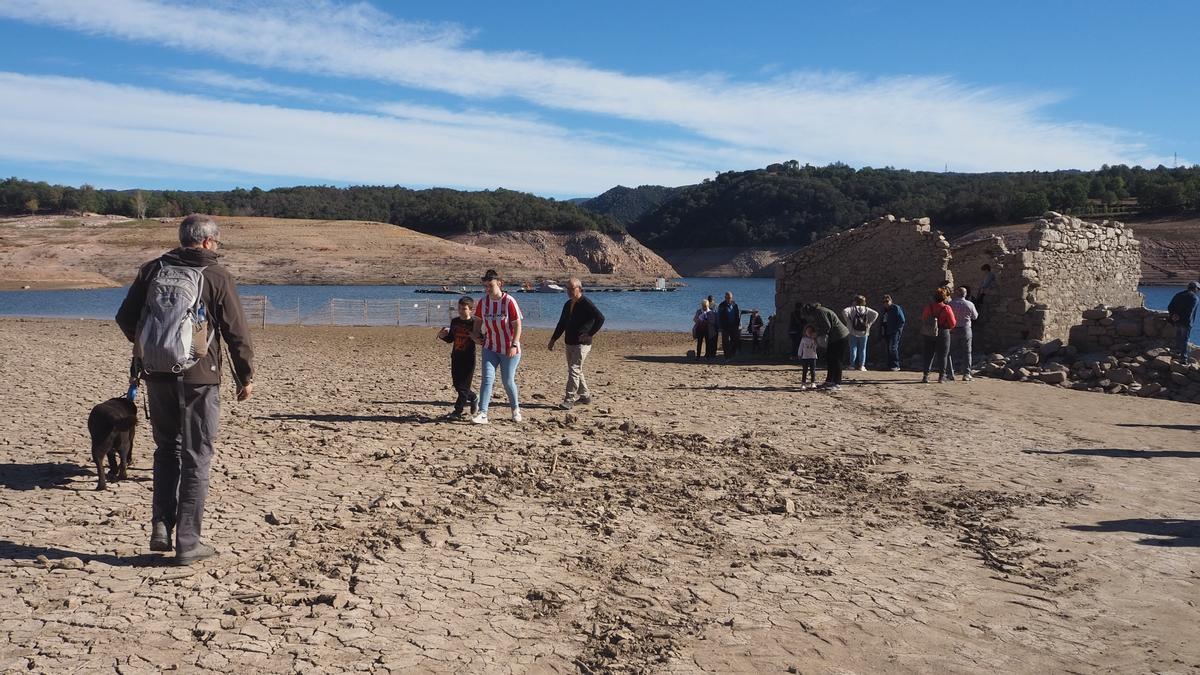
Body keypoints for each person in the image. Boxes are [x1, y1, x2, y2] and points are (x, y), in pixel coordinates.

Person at [115, 214, 254, 565]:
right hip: (200, 377)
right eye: (217, 243)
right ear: (207, 242)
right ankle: (188, 543)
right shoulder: (216, 275)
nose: (217, 248)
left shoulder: (152, 270)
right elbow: (236, 331)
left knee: (166, 449)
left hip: (156, 374)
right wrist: (245, 376)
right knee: (197, 456)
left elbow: (125, 318)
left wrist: (153, 347)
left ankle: (160, 527)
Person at [471, 269, 523, 424]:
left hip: (509, 348)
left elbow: (518, 325)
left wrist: (514, 344)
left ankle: (515, 410)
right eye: (485, 286)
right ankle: (483, 413)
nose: (487, 289)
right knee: (487, 379)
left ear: (500, 283)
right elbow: (477, 323)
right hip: (490, 346)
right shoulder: (483, 302)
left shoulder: (509, 301)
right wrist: (476, 336)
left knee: (507, 381)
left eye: (490, 285)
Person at [548, 278, 605, 409]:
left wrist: (590, 333)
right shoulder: (568, 304)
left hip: (582, 343)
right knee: (576, 370)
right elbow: (562, 323)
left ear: (579, 289)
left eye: (571, 288)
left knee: (574, 369)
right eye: (567, 289)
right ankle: (585, 396)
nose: (569, 291)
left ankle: (569, 399)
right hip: (569, 342)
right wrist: (553, 339)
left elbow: (600, 318)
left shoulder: (586, 303)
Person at [437, 296, 478, 418]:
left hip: (469, 358)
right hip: (456, 356)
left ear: (471, 310)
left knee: (463, 387)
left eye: (464, 308)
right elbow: (450, 339)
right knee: (457, 385)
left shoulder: (474, 323)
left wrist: (477, 337)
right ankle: (473, 397)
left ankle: (457, 411)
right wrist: (442, 335)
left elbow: (480, 338)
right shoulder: (455, 321)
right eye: (459, 308)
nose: (461, 311)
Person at [801, 303, 850, 390]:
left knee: (837, 360)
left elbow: (827, 326)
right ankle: (829, 381)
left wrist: (816, 334)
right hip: (833, 338)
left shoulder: (820, 312)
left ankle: (837, 383)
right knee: (830, 358)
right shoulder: (818, 312)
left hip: (840, 337)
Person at [920, 287, 958, 383]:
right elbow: (953, 323)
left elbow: (924, 318)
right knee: (943, 355)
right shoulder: (946, 308)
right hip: (943, 332)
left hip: (929, 332)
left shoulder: (929, 307)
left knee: (928, 354)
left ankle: (926, 376)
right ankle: (941, 377)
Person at [948, 286, 980, 381]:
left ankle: (950, 373)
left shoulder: (951, 304)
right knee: (967, 352)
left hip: (953, 329)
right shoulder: (969, 304)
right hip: (965, 329)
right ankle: (966, 374)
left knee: (950, 352)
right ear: (965, 294)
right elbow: (975, 317)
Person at [842, 295, 879, 372]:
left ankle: (852, 365)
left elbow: (844, 311)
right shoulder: (866, 309)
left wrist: (848, 321)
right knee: (863, 349)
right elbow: (876, 314)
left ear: (855, 301)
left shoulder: (852, 309)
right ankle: (862, 365)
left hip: (853, 331)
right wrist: (869, 323)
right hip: (864, 332)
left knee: (853, 348)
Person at [1167, 281, 1199, 364]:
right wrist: (1184, 319)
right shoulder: (1194, 298)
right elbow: (1190, 312)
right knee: (1185, 339)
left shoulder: (1178, 295)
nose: (1198, 291)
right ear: (1195, 288)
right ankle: (1183, 358)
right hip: (1186, 322)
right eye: (1198, 289)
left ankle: (1176, 353)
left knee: (1178, 336)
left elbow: (1170, 306)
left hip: (1176, 320)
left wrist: (1174, 315)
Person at [879, 294, 906, 371]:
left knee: (893, 348)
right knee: (888, 348)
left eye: (887, 301)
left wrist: (897, 329)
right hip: (886, 331)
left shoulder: (896, 308)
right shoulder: (884, 310)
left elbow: (902, 320)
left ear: (891, 301)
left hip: (894, 331)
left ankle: (896, 365)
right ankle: (889, 365)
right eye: (884, 302)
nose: (886, 303)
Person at [717, 291, 741, 360]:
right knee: (725, 342)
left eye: (730, 298)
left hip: (734, 326)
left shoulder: (735, 305)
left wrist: (738, 324)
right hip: (725, 327)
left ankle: (732, 354)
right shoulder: (721, 305)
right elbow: (719, 316)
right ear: (725, 297)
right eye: (727, 298)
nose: (728, 299)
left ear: (732, 298)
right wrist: (720, 327)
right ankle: (727, 356)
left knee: (735, 341)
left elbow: (737, 315)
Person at [797, 325, 819, 390]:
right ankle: (803, 383)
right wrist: (799, 354)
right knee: (804, 371)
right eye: (808, 331)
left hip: (813, 357)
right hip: (805, 357)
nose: (809, 333)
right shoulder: (803, 339)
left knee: (813, 371)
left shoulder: (814, 339)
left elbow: (816, 347)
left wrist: (815, 339)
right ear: (805, 332)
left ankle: (813, 382)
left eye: (810, 332)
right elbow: (800, 347)